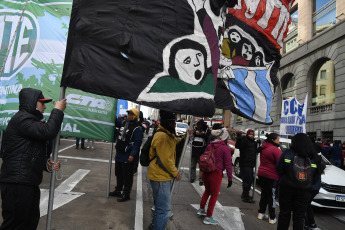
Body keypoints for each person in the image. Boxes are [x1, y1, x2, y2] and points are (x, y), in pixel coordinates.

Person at [0, 88, 66, 229]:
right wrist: (58, 111)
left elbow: (31, 152)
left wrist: (47, 165)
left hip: (27, 182)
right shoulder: (22, 119)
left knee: (29, 223)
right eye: (42, 103)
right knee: (15, 224)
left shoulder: (30, 121)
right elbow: (48, 132)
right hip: (17, 183)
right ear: (32, 103)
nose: (44, 106)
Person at [276, 133, 318, 230]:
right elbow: (316, 175)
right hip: (304, 191)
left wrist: (286, 178)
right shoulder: (312, 156)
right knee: (299, 217)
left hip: (286, 188)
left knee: (284, 214)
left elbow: (279, 169)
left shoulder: (287, 153)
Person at [148, 110, 182, 230]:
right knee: (164, 210)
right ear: (167, 123)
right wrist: (175, 172)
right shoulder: (162, 136)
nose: (174, 125)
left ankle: (154, 225)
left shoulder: (167, 134)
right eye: (172, 122)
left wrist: (186, 136)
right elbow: (165, 161)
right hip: (161, 177)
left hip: (159, 176)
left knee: (159, 206)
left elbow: (174, 142)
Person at [197, 128, 233, 225]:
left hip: (205, 172)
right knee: (214, 195)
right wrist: (230, 178)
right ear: (224, 137)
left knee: (207, 191)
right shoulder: (225, 148)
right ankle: (208, 217)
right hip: (216, 173)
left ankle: (201, 209)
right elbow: (228, 164)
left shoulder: (210, 145)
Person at [109, 108, 143, 202]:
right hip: (119, 153)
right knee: (118, 173)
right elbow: (116, 123)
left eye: (131, 114)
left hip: (127, 154)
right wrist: (112, 113)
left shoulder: (137, 128)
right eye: (128, 114)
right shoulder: (124, 123)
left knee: (127, 176)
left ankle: (126, 194)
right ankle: (118, 190)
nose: (129, 115)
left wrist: (132, 155)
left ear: (135, 116)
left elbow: (137, 143)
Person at [257, 133, 282, 224]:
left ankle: (261, 213)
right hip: (271, 176)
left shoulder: (264, 147)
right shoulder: (275, 150)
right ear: (273, 140)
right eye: (278, 139)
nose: (279, 141)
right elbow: (280, 164)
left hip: (262, 174)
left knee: (264, 194)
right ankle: (272, 217)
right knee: (271, 196)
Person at [304, 141, 325, 230]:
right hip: (315, 187)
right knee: (307, 205)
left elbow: (309, 175)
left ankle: (306, 225)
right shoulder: (318, 159)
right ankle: (312, 224)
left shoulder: (311, 159)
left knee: (304, 205)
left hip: (310, 187)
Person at [235, 129, 259, 203]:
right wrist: (238, 139)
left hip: (250, 164)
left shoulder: (253, 143)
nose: (251, 136)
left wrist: (258, 145)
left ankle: (244, 194)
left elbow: (257, 152)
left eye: (253, 134)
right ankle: (246, 196)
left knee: (249, 180)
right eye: (250, 134)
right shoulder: (244, 140)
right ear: (247, 134)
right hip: (245, 163)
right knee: (247, 180)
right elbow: (238, 146)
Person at [189, 119, 211, 186]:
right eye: (198, 125)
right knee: (193, 165)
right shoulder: (195, 129)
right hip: (194, 150)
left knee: (202, 167)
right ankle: (192, 178)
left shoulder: (207, 130)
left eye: (200, 125)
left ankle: (201, 180)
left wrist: (202, 134)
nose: (199, 126)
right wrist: (196, 133)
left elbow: (208, 137)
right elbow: (192, 134)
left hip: (202, 152)